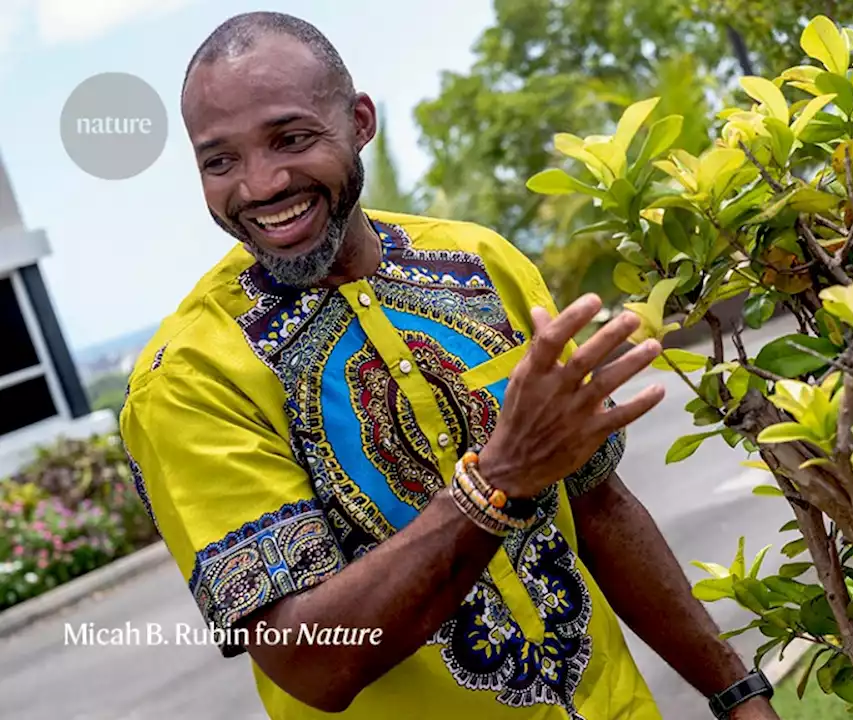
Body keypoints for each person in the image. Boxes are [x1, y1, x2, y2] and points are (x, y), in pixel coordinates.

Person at [118, 11, 781, 720]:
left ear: (360, 121)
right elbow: (312, 661)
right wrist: (495, 484)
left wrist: (737, 693)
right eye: (219, 160)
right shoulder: (187, 380)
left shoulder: (481, 264)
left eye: (291, 138)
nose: (259, 185)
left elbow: (598, 503)